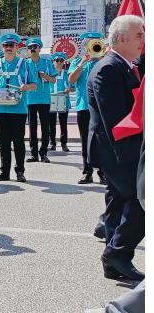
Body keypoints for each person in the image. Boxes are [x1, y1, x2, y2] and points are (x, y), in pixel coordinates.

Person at [87, 15, 145, 282]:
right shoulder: (108, 68)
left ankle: (113, 262)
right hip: (117, 150)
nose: (143, 42)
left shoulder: (125, 65)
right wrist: (129, 158)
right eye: (138, 36)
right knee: (142, 199)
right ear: (121, 39)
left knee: (118, 202)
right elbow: (114, 120)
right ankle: (118, 253)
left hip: (119, 149)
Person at [0, 33, 38, 182]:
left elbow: (34, 85)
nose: (8, 48)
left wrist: (26, 86)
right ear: (2, 47)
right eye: (6, 46)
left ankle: (20, 171)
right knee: (3, 143)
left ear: (16, 47)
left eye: (11, 46)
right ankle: (4, 172)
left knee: (18, 142)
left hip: (18, 109)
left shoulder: (25, 64)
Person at [69, 32, 106, 185]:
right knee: (85, 141)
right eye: (89, 44)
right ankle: (87, 172)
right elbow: (71, 79)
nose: (92, 47)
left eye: (95, 43)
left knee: (102, 141)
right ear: (84, 47)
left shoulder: (104, 61)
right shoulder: (78, 61)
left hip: (101, 107)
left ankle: (103, 173)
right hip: (84, 107)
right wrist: (82, 63)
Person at [24, 37, 57, 164]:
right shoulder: (25, 63)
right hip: (30, 99)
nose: (33, 49)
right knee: (32, 128)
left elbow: (54, 80)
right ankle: (34, 154)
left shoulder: (47, 62)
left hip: (44, 99)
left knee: (45, 127)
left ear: (39, 49)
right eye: (30, 47)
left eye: (35, 47)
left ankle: (43, 153)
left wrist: (44, 76)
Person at [48, 53, 73, 153]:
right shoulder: (49, 73)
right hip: (51, 99)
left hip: (63, 99)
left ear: (64, 62)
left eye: (61, 60)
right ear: (53, 62)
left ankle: (64, 144)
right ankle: (52, 143)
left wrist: (69, 89)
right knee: (51, 124)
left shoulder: (67, 73)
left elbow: (73, 87)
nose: (58, 62)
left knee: (63, 124)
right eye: (56, 60)